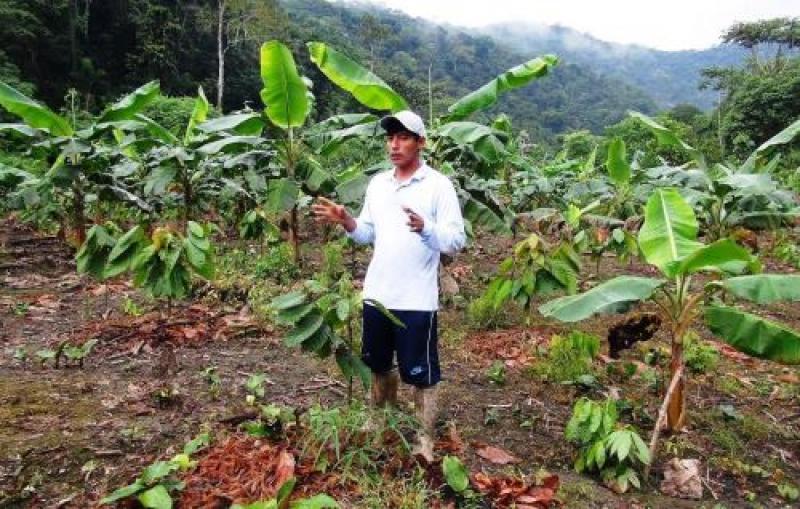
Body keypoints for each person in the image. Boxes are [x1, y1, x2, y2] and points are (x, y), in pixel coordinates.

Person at [312, 110, 466, 461]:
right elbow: (367, 233)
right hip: (378, 295)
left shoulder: (438, 186)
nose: (394, 144)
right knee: (377, 363)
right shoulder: (379, 184)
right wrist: (347, 220)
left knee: (421, 374)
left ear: (420, 143)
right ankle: (380, 421)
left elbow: (456, 240)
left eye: (404, 137)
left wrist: (426, 227)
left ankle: (423, 438)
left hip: (416, 300)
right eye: (390, 137)